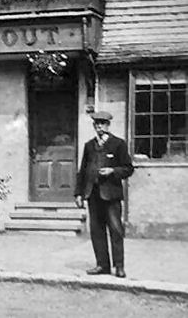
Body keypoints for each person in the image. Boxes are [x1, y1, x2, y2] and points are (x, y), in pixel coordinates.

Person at [74, 111, 134, 278]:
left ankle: (119, 266)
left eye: (103, 123)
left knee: (116, 230)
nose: (99, 126)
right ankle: (102, 265)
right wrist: (78, 193)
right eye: (97, 124)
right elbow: (82, 171)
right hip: (93, 194)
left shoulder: (118, 144)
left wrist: (112, 171)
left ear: (108, 125)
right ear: (94, 126)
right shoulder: (89, 146)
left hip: (111, 195)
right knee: (96, 231)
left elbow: (128, 168)